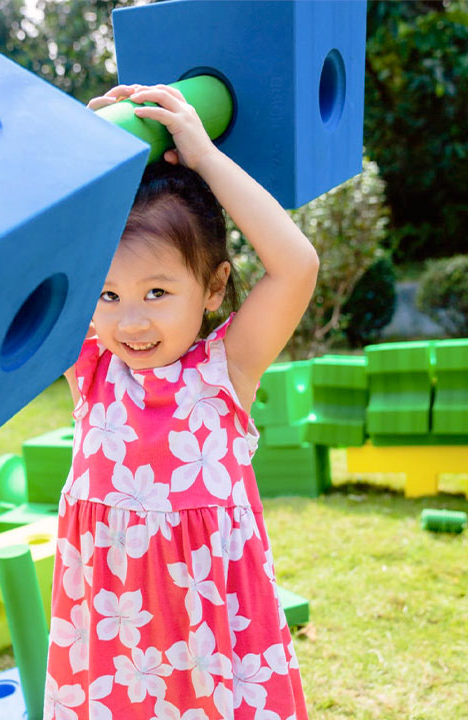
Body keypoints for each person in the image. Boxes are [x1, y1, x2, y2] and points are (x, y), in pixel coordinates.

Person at [44, 83, 319, 720]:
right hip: (114, 641)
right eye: (107, 295)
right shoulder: (89, 367)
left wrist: (204, 158)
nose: (130, 321)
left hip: (214, 638)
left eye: (158, 291)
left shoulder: (226, 370)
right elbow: (22, 260)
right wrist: (81, 166)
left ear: (214, 287)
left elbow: (296, 265)